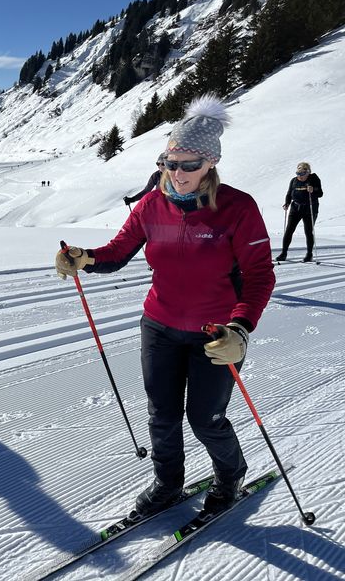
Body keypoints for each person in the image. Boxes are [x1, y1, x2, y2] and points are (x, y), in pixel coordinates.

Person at [55, 95, 275, 516]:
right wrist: (85, 257)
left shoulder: (237, 208)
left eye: (189, 164)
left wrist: (241, 331)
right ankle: (168, 483)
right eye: (169, 163)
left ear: (210, 163)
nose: (177, 173)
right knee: (162, 414)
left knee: (205, 419)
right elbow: (118, 251)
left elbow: (260, 276)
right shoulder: (152, 205)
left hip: (215, 335)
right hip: (159, 325)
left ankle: (230, 476)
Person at [276, 162, 323, 262]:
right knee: (289, 230)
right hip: (295, 208)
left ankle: (309, 254)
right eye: (298, 173)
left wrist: (313, 190)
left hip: (309, 208)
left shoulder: (314, 179)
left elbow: (320, 193)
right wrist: (287, 203)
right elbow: (289, 193)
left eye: (302, 174)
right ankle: (283, 253)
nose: (299, 176)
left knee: (308, 231)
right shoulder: (293, 181)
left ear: (308, 172)